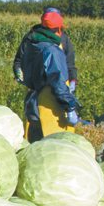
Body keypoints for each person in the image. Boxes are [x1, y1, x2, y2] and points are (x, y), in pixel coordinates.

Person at [21, 10, 83, 142]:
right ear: (58, 29)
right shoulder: (52, 51)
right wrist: (70, 106)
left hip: (33, 101)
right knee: (55, 144)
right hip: (51, 103)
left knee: (34, 143)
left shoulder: (32, 43)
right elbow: (58, 83)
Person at [13, 7, 78, 93]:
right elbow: (19, 61)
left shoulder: (64, 39)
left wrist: (72, 81)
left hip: (60, 89)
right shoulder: (32, 37)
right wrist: (21, 77)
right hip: (35, 89)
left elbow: (70, 64)